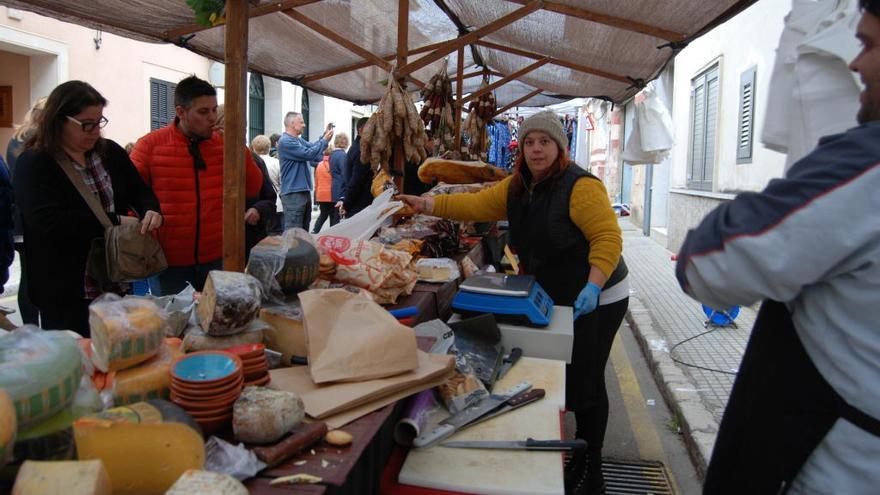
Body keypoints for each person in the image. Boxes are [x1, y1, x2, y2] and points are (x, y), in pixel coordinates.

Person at [676, 3, 880, 493]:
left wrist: (804, 177)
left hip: (826, 466)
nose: (855, 64)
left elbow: (710, 264)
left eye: (870, 45)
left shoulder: (865, 165)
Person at [398, 110, 629, 495]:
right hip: (562, 291)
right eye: (530, 142)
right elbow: (476, 205)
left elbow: (607, 238)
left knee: (588, 378)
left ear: (560, 147)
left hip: (599, 293)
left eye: (545, 142)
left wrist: (593, 285)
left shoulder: (580, 186)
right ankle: (576, 455)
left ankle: (593, 472)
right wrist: (426, 206)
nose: (537, 149)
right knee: (571, 378)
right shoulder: (518, 186)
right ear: (521, 148)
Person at [13, 81, 162, 335]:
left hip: (114, 277)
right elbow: (48, 221)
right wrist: (113, 221)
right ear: (59, 120)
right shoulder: (35, 163)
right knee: (76, 362)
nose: (94, 131)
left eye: (99, 122)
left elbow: (139, 189)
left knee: (116, 353)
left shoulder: (110, 152)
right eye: (86, 124)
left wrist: (150, 209)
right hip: (65, 286)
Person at [130, 76, 263, 295]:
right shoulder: (150, 145)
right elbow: (131, 193)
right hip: (167, 262)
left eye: (213, 110)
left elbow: (252, 188)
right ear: (181, 112)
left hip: (217, 256)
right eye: (203, 112)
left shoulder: (224, 145)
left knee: (220, 320)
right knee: (176, 325)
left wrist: (239, 147)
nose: (212, 118)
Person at [5, 97, 46, 325]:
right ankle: (35, 324)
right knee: (36, 275)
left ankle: (31, 324)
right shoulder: (39, 140)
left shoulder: (16, 138)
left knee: (28, 275)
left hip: (17, 218)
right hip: (32, 217)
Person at [277, 112, 332, 231]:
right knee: (294, 236)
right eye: (301, 122)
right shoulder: (286, 141)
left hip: (301, 192)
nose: (304, 125)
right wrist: (324, 141)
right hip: (293, 194)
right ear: (292, 124)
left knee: (302, 234)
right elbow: (309, 153)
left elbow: (312, 148)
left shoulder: (297, 140)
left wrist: (323, 137)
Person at [338, 117, 372, 218]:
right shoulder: (361, 150)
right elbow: (356, 181)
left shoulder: (357, 147)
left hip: (357, 205)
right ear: (361, 130)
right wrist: (347, 203)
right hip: (359, 206)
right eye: (372, 128)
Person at [252, 134, 283, 234]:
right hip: (276, 204)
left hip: (256, 206)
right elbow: (282, 184)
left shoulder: (252, 162)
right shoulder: (276, 163)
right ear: (269, 147)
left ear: (254, 147)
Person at [312, 146, 334, 234]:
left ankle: (314, 231)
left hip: (321, 194)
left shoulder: (319, 165)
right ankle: (332, 234)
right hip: (331, 194)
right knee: (333, 215)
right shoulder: (333, 164)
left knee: (323, 215)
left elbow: (316, 181)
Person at [329, 132, 348, 225]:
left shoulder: (333, 154)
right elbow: (345, 175)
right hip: (341, 189)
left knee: (334, 218)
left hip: (334, 187)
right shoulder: (342, 155)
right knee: (338, 219)